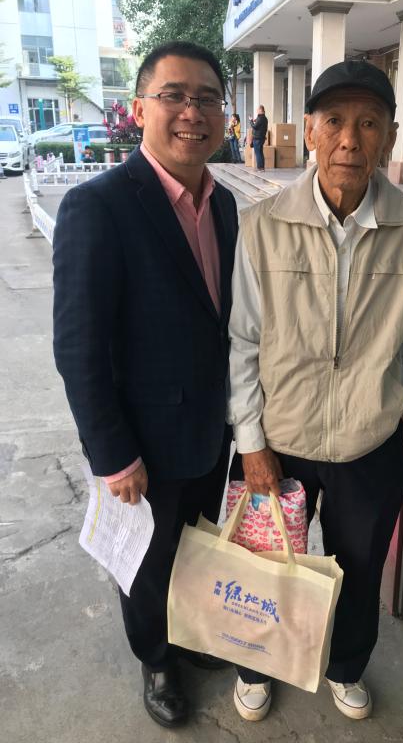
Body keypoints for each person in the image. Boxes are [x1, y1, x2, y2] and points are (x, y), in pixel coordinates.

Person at [227, 60, 403, 722]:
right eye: (336, 121)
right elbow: (243, 340)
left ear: (389, 137)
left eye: (369, 123)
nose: (351, 138)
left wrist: (398, 395)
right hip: (279, 439)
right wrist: (251, 442)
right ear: (311, 131)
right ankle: (256, 663)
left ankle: (346, 666)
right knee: (266, 565)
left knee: (359, 567)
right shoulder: (263, 224)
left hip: (367, 439)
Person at [52, 41, 238, 729]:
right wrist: (112, 454)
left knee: (197, 547)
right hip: (144, 443)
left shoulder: (224, 203)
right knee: (147, 561)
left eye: (207, 98)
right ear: (139, 109)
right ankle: (156, 658)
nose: (193, 112)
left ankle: (187, 634)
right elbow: (78, 346)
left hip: (211, 428)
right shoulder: (98, 206)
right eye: (175, 96)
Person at [250, 105, 268, 171]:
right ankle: (262, 167)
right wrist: (255, 120)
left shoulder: (260, 118)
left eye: (257, 110)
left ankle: (260, 168)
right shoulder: (264, 118)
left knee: (258, 153)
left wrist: (251, 121)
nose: (257, 111)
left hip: (257, 138)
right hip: (261, 138)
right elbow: (259, 126)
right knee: (260, 153)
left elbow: (255, 126)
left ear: (261, 110)